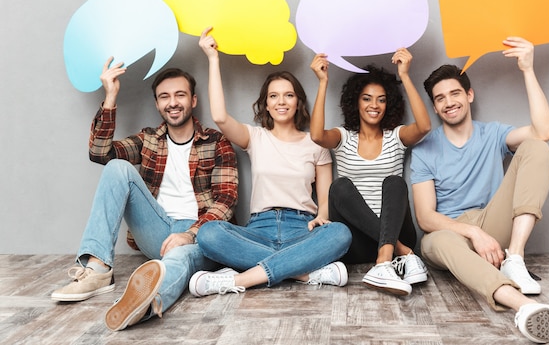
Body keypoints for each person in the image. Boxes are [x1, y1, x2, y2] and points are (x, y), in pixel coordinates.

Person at [51, 60, 238, 331]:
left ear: (193, 100)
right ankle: (98, 269)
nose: (172, 102)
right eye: (164, 97)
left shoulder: (216, 142)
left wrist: (190, 234)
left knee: (180, 258)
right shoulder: (149, 139)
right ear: (157, 104)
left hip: (201, 235)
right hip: (157, 230)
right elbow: (100, 153)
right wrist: (111, 96)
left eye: (179, 95)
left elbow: (227, 200)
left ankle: (145, 305)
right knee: (117, 167)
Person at [410, 37, 549, 343]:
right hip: (448, 235)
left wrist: (527, 69)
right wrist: (473, 233)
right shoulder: (425, 149)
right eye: (440, 98)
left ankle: (515, 258)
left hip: (492, 223)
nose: (449, 102)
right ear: (434, 106)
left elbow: (545, 131)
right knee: (438, 241)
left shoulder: (493, 134)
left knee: (536, 146)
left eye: (455, 93)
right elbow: (425, 217)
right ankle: (525, 307)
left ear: (469, 95)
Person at [188, 27, 352, 296]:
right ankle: (303, 273)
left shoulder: (316, 143)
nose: (281, 102)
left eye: (288, 95)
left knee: (341, 233)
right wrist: (213, 59)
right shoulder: (256, 137)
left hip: (302, 229)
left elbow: (325, 200)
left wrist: (323, 216)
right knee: (208, 234)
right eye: (273, 96)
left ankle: (238, 281)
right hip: (258, 230)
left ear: (298, 102)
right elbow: (219, 116)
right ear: (265, 104)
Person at [309, 49, 431, 296]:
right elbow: (316, 135)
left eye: (381, 99)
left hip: (397, 231)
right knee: (339, 186)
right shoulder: (343, 137)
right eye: (367, 98)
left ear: (389, 104)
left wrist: (405, 76)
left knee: (395, 182)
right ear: (356, 101)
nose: (374, 105)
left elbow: (424, 126)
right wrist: (323, 82)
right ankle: (401, 254)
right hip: (358, 243)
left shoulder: (396, 136)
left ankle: (383, 261)